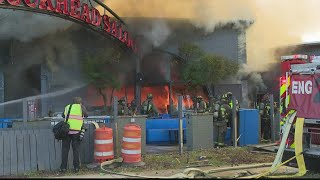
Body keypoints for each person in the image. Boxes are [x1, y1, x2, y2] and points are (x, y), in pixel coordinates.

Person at [60, 97, 88, 173]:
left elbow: (63, 115)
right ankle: (76, 168)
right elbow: (86, 115)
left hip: (66, 131)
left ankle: (63, 168)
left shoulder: (67, 106)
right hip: (76, 132)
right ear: (80, 102)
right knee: (76, 150)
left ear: (72, 102)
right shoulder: (81, 107)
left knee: (65, 150)